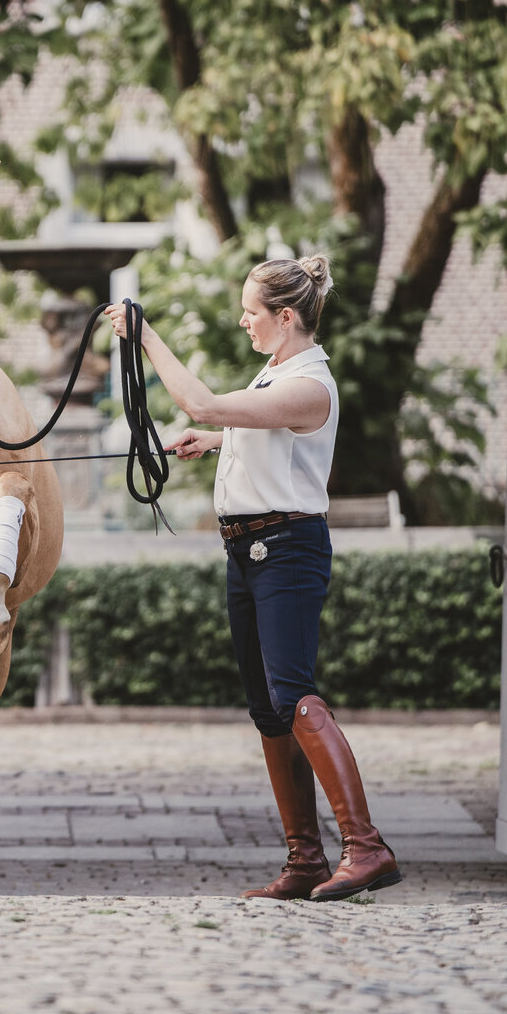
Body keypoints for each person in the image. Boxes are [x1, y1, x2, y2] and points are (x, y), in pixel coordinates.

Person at [103, 256, 401, 902]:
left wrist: (144, 333)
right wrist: (211, 444)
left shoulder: (310, 382)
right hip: (247, 548)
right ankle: (306, 858)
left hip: (286, 547)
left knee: (293, 694)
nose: (244, 320)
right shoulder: (277, 373)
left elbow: (206, 402)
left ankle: (367, 845)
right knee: (268, 709)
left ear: (286, 317)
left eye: (252, 311)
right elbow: (255, 429)